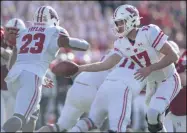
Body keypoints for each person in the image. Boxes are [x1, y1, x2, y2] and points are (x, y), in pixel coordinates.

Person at [68, 4, 181, 132]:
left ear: (131, 20)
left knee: (153, 113)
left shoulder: (149, 32)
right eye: (117, 23)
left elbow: (173, 56)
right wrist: (79, 69)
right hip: (151, 83)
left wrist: (150, 68)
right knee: (153, 120)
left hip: (168, 79)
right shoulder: (122, 43)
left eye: (120, 22)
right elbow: (105, 64)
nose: (118, 26)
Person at [1, 5, 89, 132]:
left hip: (14, 78)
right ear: (53, 19)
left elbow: (13, 61)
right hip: (32, 76)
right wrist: (85, 44)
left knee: (33, 114)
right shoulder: (53, 31)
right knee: (20, 117)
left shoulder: (24, 32)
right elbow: (78, 45)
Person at [37, 49, 116, 132]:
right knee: (97, 121)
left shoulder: (94, 66)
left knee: (59, 126)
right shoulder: (115, 70)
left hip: (74, 92)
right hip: (92, 92)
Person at [69, 57, 147, 132]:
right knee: (118, 129)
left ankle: (75, 130)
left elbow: (103, 65)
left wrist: (79, 68)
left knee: (92, 121)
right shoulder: (151, 58)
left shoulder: (123, 48)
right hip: (122, 89)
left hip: (106, 85)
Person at [164, 44, 186, 132]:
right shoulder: (165, 68)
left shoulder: (182, 64)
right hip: (172, 113)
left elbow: (183, 80)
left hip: (183, 114)